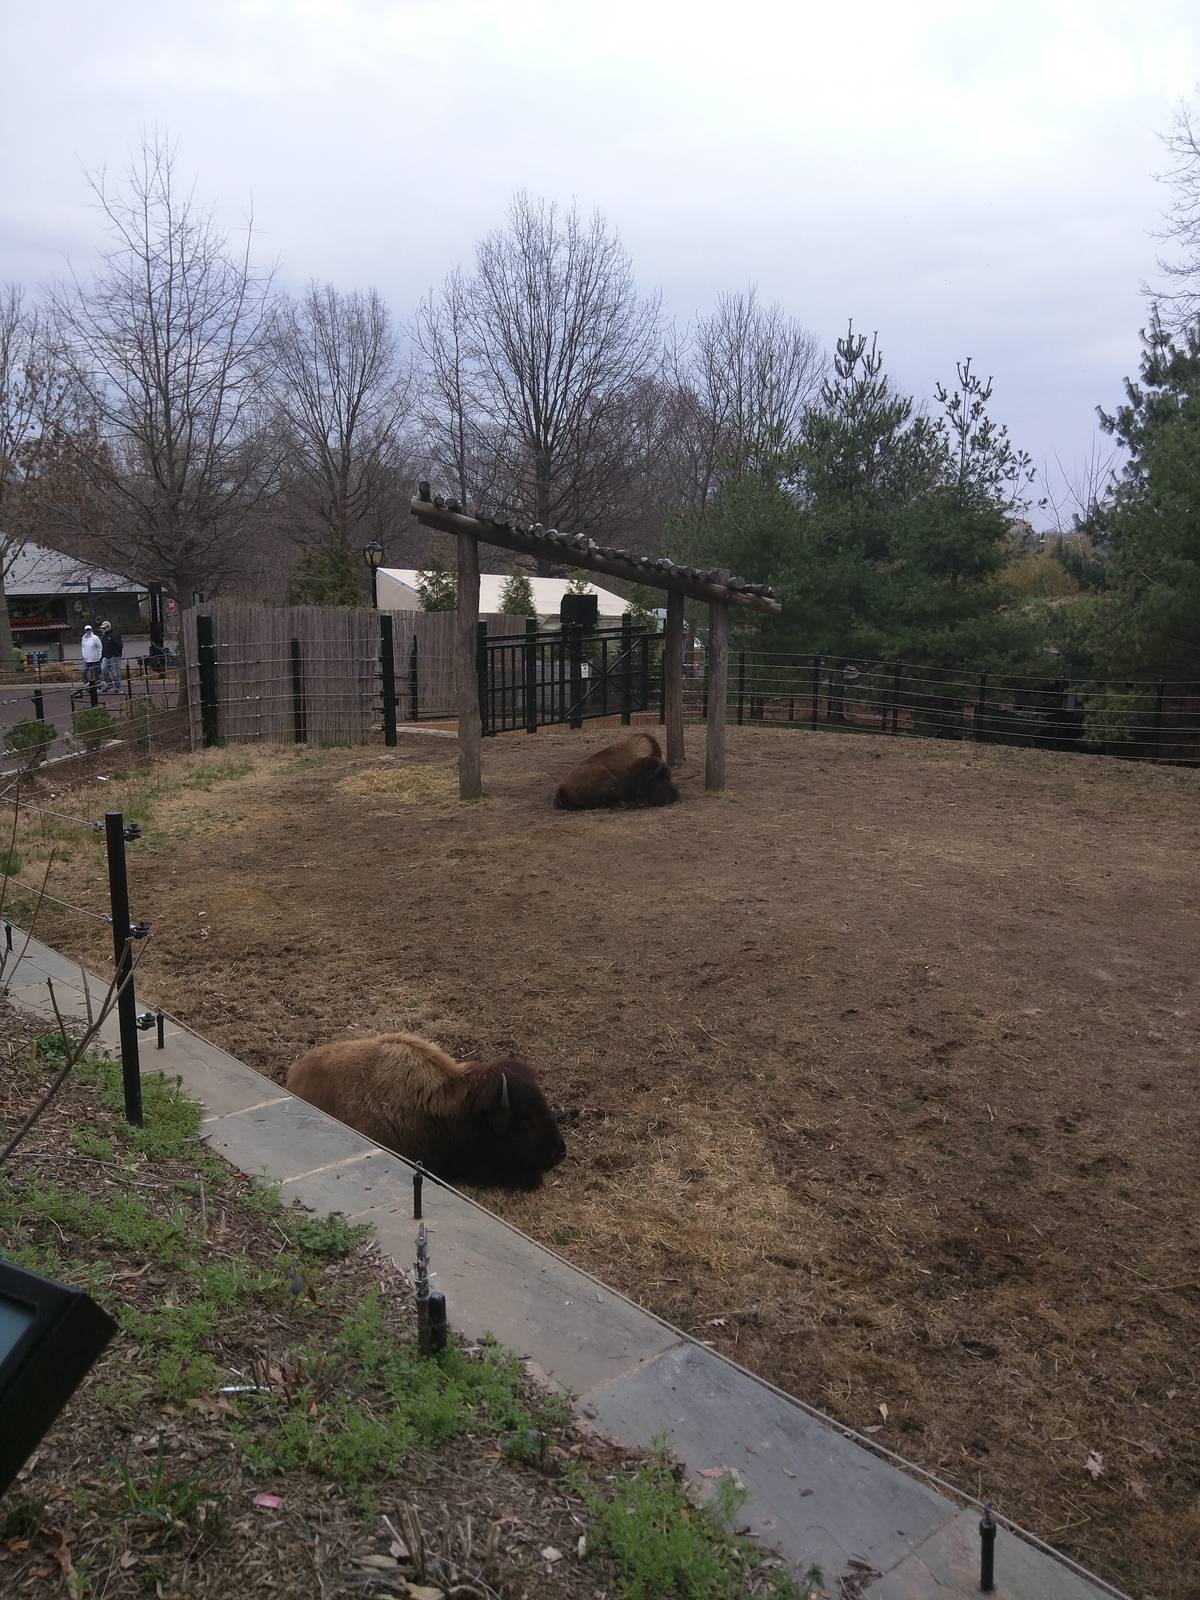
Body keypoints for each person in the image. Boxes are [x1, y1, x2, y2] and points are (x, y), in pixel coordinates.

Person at [100, 620, 124, 694]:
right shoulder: (104, 636)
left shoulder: (115, 635)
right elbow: (103, 647)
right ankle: (109, 685)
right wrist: (102, 656)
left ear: (109, 627)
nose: (103, 629)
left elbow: (120, 645)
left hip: (114, 656)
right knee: (104, 670)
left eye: (104, 628)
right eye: (103, 628)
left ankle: (117, 687)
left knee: (115, 672)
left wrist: (117, 654)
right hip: (106, 657)